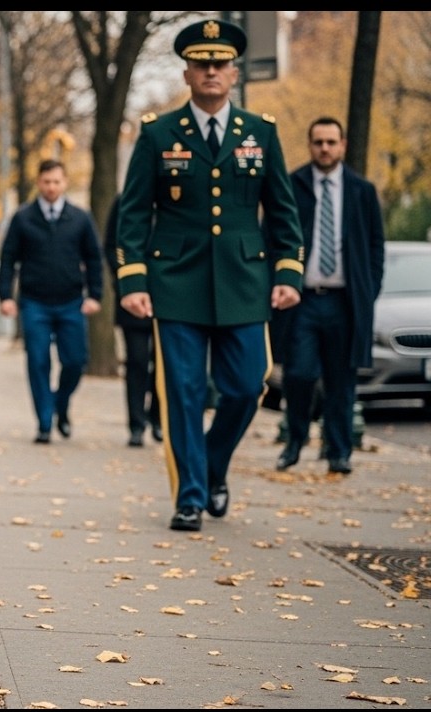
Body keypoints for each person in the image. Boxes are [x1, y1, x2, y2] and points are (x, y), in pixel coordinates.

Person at [113, 19, 304, 533]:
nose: (211, 71)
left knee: (246, 386)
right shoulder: (158, 134)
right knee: (183, 393)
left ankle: (213, 465)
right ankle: (190, 497)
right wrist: (133, 282)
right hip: (175, 283)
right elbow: (133, 215)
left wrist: (289, 273)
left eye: (220, 64)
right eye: (202, 64)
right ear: (187, 73)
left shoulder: (261, 133)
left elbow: (282, 212)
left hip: (244, 283)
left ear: (234, 73)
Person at [273, 117, 385, 476]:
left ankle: (338, 452)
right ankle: (295, 441)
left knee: (341, 380)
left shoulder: (361, 190)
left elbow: (375, 245)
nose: (324, 148)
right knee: (299, 374)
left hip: (344, 302)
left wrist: (368, 290)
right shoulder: (292, 185)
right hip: (301, 300)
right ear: (310, 145)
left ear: (342, 145)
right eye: (318, 142)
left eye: (331, 142)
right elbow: (273, 234)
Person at [0, 159, 103, 444]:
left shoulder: (80, 218)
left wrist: (95, 295)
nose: (51, 187)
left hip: (71, 302)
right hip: (34, 303)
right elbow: (8, 259)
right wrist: (6, 296)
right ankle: (44, 422)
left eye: (56, 182)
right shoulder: (23, 218)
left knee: (76, 361)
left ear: (64, 183)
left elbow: (94, 258)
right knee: (38, 361)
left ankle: (60, 404)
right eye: (46, 182)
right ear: (39, 182)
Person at [103, 194, 162, 447]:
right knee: (137, 360)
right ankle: (136, 424)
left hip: (167, 295)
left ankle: (158, 418)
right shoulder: (124, 201)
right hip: (133, 296)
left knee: (164, 363)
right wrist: (125, 282)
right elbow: (111, 245)